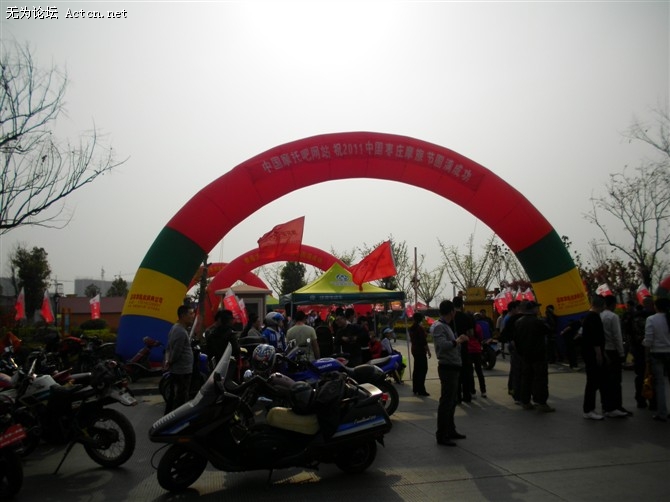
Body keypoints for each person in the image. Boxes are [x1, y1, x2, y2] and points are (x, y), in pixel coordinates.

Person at [431, 300, 469, 446]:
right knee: (446, 402)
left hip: (453, 366)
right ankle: (441, 434)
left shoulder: (446, 325)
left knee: (452, 401)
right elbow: (443, 345)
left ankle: (450, 430)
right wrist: (458, 341)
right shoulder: (439, 326)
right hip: (447, 367)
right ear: (452, 312)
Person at [514, 300, 555, 412]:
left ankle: (525, 402)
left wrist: (521, 353)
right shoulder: (538, 322)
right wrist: (549, 317)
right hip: (538, 355)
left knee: (526, 379)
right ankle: (541, 403)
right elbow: (550, 330)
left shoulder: (518, 322)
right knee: (540, 380)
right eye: (537, 307)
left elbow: (516, 340)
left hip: (525, 355)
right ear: (533, 309)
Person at [601, 294, 631, 417]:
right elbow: (617, 336)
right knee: (616, 381)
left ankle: (606, 406)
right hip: (613, 351)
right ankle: (616, 406)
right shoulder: (613, 317)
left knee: (605, 380)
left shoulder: (599, 315)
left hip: (603, 351)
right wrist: (622, 353)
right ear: (613, 304)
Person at [581, 295, 610, 420]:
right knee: (592, 382)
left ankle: (594, 408)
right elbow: (595, 338)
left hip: (591, 353)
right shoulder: (593, 317)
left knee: (595, 381)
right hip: (592, 354)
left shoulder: (589, 316)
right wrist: (599, 354)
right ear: (602, 305)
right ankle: (588, 410)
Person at [164, 305, 195, 414]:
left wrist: (168, 361)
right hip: (182, 370)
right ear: (183, 316)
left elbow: (169, 348)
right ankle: (176, 418)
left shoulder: (176, 328)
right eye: (190, 314)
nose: (193, 316)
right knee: (180, 398)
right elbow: (176, 352)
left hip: (180, 369)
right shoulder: (180, 331)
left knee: (176, 396)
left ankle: (170, 416)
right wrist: (170, 361)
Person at [643, 297, 670, 422]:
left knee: (659, 384)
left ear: (656, 307)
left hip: (656, 353)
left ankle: (662, 412)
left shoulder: (651, 319)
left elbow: (648, 340)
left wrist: (646, 354)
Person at [633, 296, 656, 409]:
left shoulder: (636, 317)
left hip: (639, 350)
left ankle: (641, 399)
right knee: (653, 376)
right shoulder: (653, 317)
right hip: (651, 350)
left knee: (640, 376)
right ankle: (653, 401)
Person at [451, 296, 474, 403]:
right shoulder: (467, 317)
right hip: (464, 347)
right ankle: (467, 395)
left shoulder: (450, 318)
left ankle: (457, 397)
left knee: (456, 373)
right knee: (466, 372)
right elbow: (471, 333)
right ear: (462, 305)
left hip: (453, 347)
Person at [500, 300, 523, 402]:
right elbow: (507, 333)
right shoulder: (510, 318)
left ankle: (511, 389)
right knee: (516, 370)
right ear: (513, 309)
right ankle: (514, 390)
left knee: (514, 369)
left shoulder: (508, 317)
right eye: (518, 308)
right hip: (513, 346)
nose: (519, 310)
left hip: (511, 345)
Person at [409, 312, 431, 396]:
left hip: (414, 350)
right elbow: (424, 341)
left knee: (416, 369)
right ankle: (421, 389)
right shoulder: (419, 328)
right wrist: (428, 351)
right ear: (421, 319)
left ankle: (415, 388)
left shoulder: (412, 328)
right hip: (420, 351)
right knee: (423, 370)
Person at [467, 316, 487, 399]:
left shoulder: (466, 328)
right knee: (479, 372)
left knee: (470, 373)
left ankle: (473, 392)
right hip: (477, 350)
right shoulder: (478, 327)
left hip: (468, 351)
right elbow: (481, 338)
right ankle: (483, 391)